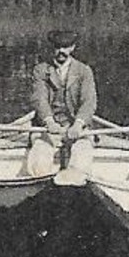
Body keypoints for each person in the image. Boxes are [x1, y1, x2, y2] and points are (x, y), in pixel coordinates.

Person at [25, 29, 97, 184]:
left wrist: (78, 125)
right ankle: (42, 185)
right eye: (57, 47)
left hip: (77, 128)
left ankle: (73, 183)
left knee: (81, 158)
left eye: (66, 47)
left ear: (73, 48)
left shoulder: (84, 71)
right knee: (39, 161)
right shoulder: (41, 70)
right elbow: (39, 99)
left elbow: (88, 102)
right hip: (48, 128)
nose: (61, 51)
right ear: (52, 48)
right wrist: (49, 121)